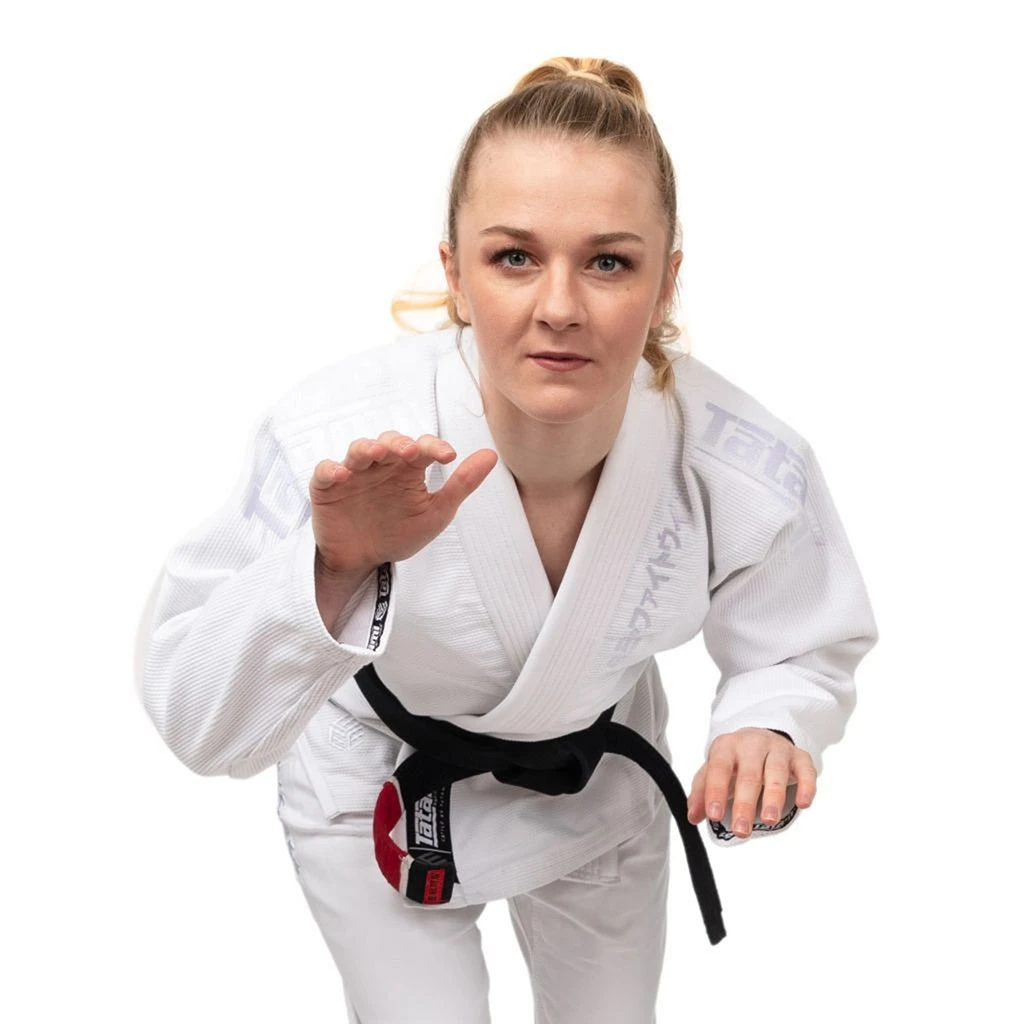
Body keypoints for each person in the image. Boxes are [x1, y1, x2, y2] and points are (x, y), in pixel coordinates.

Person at [135, 55, 879, 1024]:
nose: (559, 306)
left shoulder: (733, 459)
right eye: (514, 257)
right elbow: (196, 717)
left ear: (666, 282)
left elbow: (800, 638)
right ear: (454, 272)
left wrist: (767, 723)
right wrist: (334, 563)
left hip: (596, 782)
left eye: (608, 262)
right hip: (374, 784)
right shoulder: (335, 439)